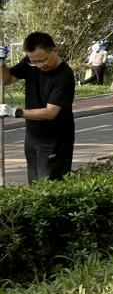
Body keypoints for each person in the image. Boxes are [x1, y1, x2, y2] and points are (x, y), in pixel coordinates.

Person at [0, 32, 76, 182]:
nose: (39, 65)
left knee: (50, 187)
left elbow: (50, 112)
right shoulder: (30, 63)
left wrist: (15, 112)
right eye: (34, 61)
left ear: (55, 50)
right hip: (32, 138)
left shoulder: (64, 75)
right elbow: (6, 79)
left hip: (55, 142)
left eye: (43, 60)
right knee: (34, 186)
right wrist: (1, 64)